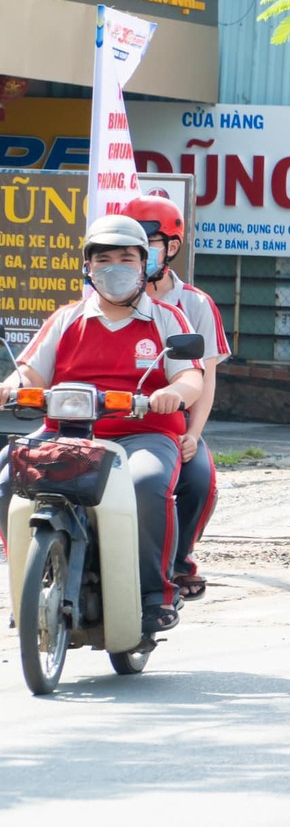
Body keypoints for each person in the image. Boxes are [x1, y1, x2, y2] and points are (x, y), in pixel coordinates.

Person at [0, 215, 204, 634]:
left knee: (147, 484)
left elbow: (191, 376)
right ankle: (26, 584)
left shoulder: (167, 320)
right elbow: (30, 373)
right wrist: (12, 386)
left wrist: (175, 393)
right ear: (87, 268)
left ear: (145, 264)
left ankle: (155, 595)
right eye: (103, 258)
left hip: (144, 433)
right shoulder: (67, 318)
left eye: (127, 258)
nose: (115, 267)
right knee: (6, 477)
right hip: (65, 432)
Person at [119, 195, 231, 603]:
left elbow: (206, 377)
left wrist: (193, 434)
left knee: (200, 481)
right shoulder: (103, 298)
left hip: (173, 421)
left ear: (172, 247)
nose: (134, 254)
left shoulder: (195, 304)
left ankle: (178, 560)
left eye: (147, 242)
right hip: (111, 414)